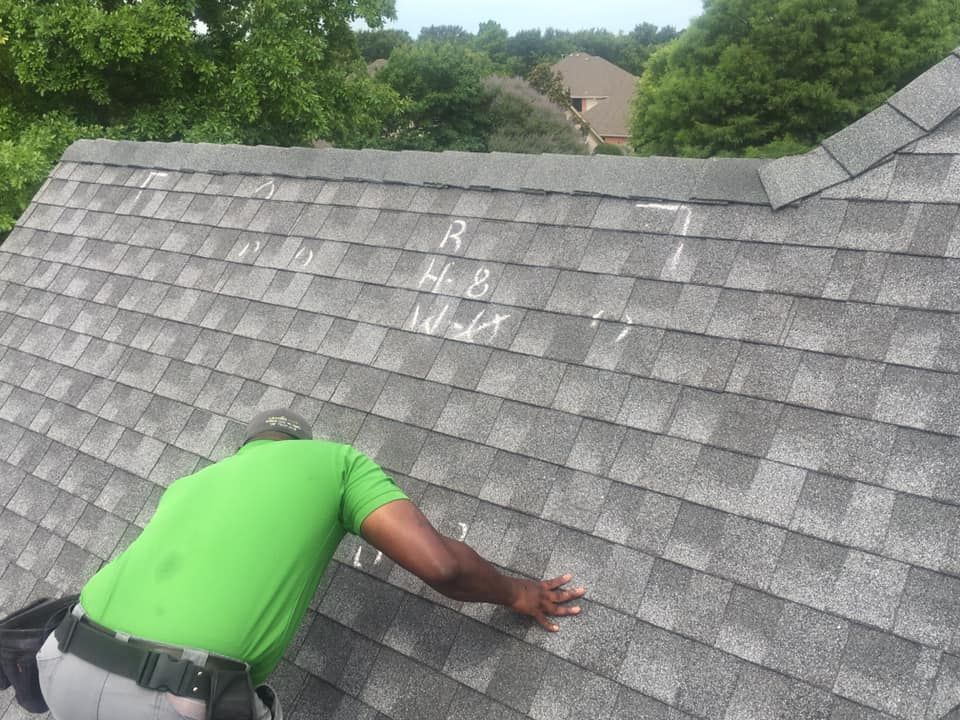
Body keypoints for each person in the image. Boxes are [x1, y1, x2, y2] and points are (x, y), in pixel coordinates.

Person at [35, 408, 586, 719]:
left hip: (62, 657)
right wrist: (519, 593)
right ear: (300, 442)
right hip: (175, 699)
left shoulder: (189, 482)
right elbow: (442, 566)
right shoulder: (333, 461)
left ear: (246, 449)